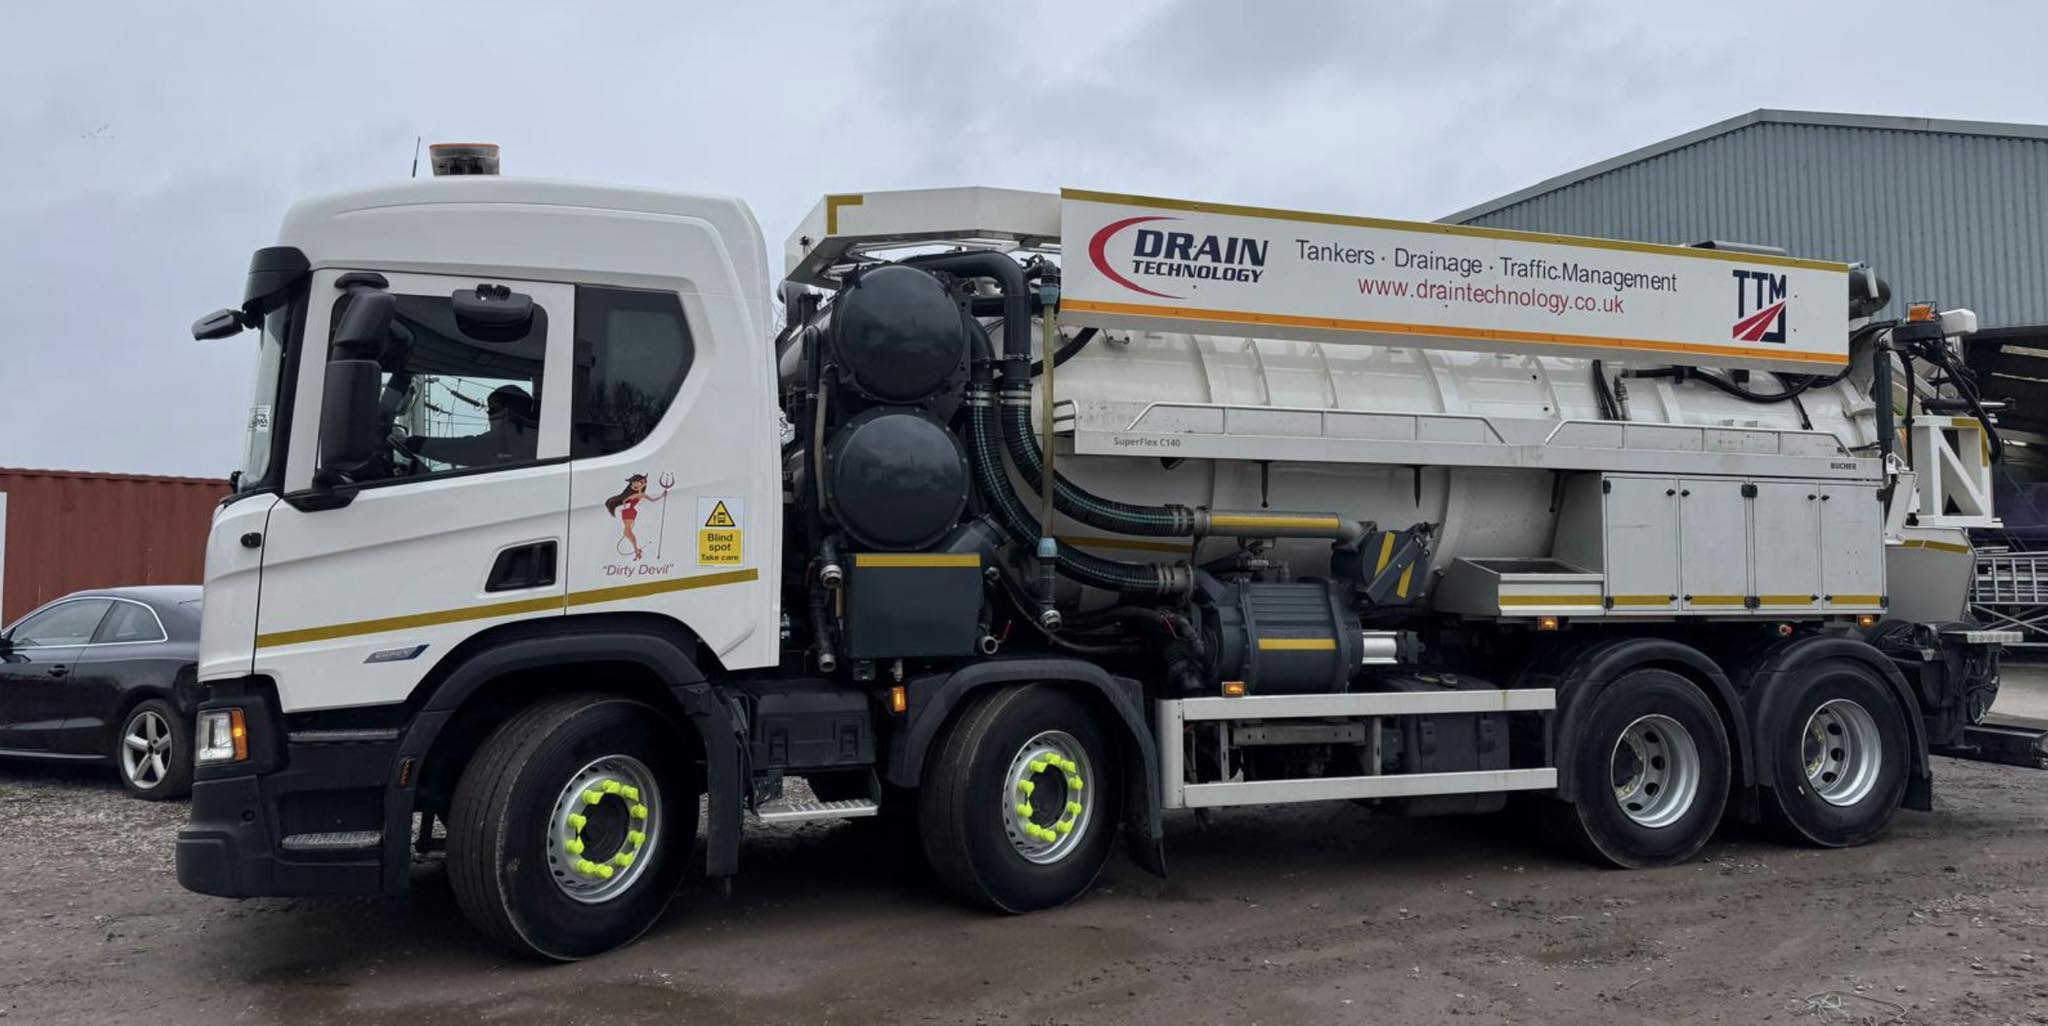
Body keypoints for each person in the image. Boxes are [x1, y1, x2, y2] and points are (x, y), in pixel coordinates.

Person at [406, 385, 539, 468]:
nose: (489, 413)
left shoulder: (511, 437)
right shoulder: (533, 433)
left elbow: (464, 448)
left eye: (494, 408)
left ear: (510, 408)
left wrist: (414, 443)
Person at [605, 473, 667, 560]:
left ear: (643, 485)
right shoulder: (638, 495)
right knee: (626, 532)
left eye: (641, 483)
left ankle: (636, 551)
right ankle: (637, 551)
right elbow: (625, 500)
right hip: (627, 512)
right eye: (635, 483)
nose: (638, 485)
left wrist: (661, 496)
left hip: (629, 512)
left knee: (627, 531)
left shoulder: (640, 495)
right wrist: (624, 507)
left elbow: (651, 500)